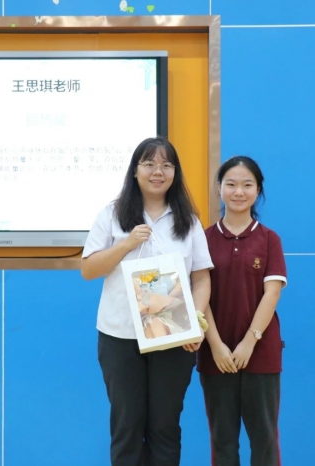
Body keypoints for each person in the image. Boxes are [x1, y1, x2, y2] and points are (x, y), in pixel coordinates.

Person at [81, 136, 213, 466]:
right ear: (135, 170)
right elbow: (89, 269)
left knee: (165, 426)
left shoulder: (188, 220)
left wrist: (196, 322)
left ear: (175, 172)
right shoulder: (112, 214)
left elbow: (201, 278)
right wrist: (125, 244)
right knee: (127, 425)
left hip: (173, 335)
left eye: (167, 165)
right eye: (150, 164)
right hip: (120, 335)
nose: (158, 171)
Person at [197, 156, 287, 466]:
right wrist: (216, 345)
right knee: (222, 441)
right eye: (231, 184)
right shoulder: (203, 239)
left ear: (258, 189)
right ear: (219, 188)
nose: (239, 192)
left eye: (247, 185)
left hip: (261, 353)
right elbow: (200, 295)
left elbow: (272, 293)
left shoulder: (269, 239)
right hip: (216, 355)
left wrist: (250, 342)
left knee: (264, 440)